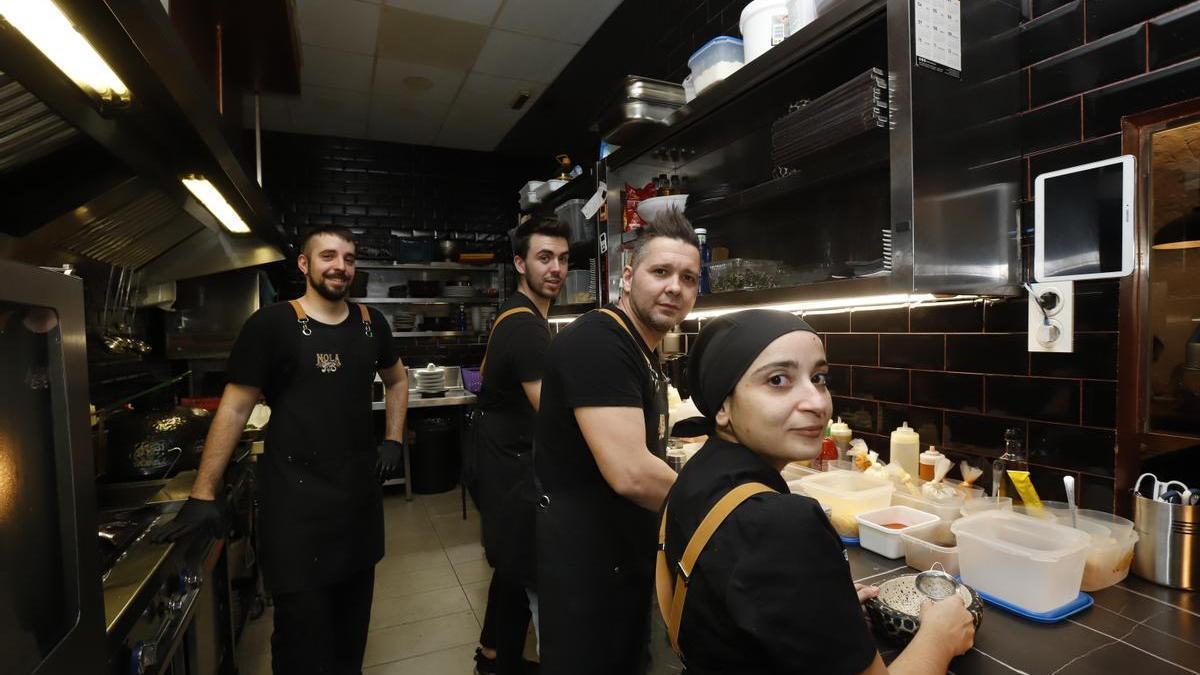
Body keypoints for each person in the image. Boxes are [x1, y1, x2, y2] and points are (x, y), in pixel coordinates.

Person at [152, 226, 409, 675]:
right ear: (305, 265)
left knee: (351, 639)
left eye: (349, 258)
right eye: (328, 256)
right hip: (296, 511)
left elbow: (398, 380)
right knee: (301, 644)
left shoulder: (371, 324)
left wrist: (393, 437)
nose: (340, 267)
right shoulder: (271, 325)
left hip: (357, 510)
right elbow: (234, 408)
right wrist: (203, 492)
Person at [659, 309, 975, 674]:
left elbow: (725, 603)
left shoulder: (697, 474)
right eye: (778, 380)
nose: (817, 403)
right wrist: (940, 635)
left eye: (819, 378)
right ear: (723, 407)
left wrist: (816, 607)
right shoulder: (779, 523)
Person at [533, 211, 701, 675]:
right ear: (627, 277)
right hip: (585, 559)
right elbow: (631, 473)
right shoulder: (599, 343)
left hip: (619, 550)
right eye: (661, 271)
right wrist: (723, 510)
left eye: (688, 278)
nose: (675, 287)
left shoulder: (638, 345)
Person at [470, 218, 569, 674]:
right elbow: (552, 415)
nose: (556, 268)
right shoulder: (528, 328)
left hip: (498, 455)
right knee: (532, 569)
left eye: (563, 259)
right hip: (509, 464)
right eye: (544, 258)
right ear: (519, 263)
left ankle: (493, 657)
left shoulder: (518, 313)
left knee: (512, 565)